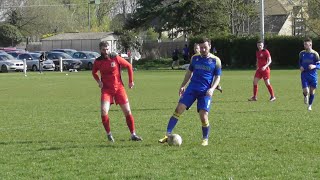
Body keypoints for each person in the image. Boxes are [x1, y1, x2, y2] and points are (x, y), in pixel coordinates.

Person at [159, 38, 221, 146]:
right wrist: (183, 85)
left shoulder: (216, 61)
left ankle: (205, 139)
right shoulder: (194, 58)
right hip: (191, 89)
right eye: (201, 47)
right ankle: (167, 135)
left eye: (205, 47)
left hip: (205, 92)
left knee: (203, 115)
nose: (202, 50)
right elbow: (189, 73)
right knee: (178, 109)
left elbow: (217, 77)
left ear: (210, 46)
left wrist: (212, 89)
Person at [92, 41, 142, 142]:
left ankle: (133, 134)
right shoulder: (98, 61)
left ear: (109, 48)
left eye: (107, 49)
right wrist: (99, 81)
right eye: (103, 50)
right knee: (103, 111)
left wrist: (131, 81)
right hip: (106, 90)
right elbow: (94, 73)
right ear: (100, 50)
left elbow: (129, 66)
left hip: (119, 88)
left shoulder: (115, 57)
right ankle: (109, 134)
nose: (106, 51)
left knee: (127, 111)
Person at [299, 38, 320, 111]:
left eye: (306, 44)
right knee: (306, 91)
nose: (304, 46)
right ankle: (305, 95)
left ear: (310, 44)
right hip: (304, 75)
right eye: (304, 44)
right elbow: (300, 62)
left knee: (312, 91)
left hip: (313, 76)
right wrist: (300, 66)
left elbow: (319, 65)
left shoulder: (315, 54)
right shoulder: (302, 53)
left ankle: (310, 106)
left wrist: (314, 66)